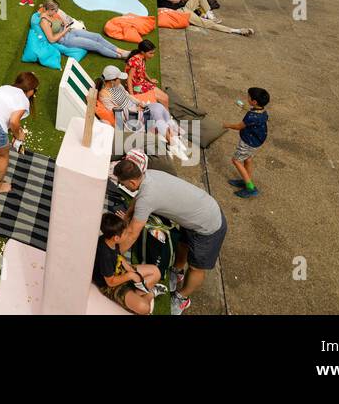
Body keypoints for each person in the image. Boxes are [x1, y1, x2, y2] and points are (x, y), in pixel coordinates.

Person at [112, 155, 227, 316]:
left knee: (196, 267)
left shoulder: (148, 197)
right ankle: (177, 272)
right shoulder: (149, 175)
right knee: (183, 244)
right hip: (196, 213)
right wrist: (126, 217)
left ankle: (182, 298)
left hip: (209, 225)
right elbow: (137, 199)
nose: (120, 185)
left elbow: (132, 233)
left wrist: (114, 257)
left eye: (120, 183)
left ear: (131, 182)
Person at [94, 213, 162, 315]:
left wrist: (129, 268)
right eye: (125, 233)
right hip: (111, 285)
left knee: (156, 272)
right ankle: (151, 293)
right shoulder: (105, 255)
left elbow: (118, 256)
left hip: (121, 272)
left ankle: (137, 294)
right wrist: (130, 275)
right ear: (116, 238)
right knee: (145, 308)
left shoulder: (110, 239)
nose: (128, 233)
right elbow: (110, 282)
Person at [149, 0, 252, 36]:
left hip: (185, 7)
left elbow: (178, 0)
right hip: (181, 12)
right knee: (207, 24)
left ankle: (210, 15)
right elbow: (177, 0)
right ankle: (236, 30)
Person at [223, 87, 270, 198]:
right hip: (256, 142)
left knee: (236, 161)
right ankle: (246, 180)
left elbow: (239, 126)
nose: (247, 98)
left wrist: (227, 125)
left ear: (254, 101)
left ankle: (250, 188)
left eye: (248, 97)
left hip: (247, 142)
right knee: (248, 159)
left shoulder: (251, 116)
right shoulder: (263, 112)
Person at [37, 0, 126, 58]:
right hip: (66, 39)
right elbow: (51, 40)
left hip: (71, 31)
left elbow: (57, 21)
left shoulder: (50, 14)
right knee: (96, 45)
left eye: (56, 10)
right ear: (48, 9)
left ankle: (120, 50)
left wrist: (64, 23)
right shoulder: (44, 22)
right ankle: (119, 55)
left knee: (97, 36)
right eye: (54, 10)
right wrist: (64, 31)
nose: (56, 12)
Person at [125, 39, 169, 108]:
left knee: (165, 97)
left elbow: (142, 71)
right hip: (136, 87)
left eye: (153, 53)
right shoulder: (135, 61)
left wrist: (150, 80)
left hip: (142, 82)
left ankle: (166, 115)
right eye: (151, 53)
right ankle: (167, 116)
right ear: (143, 52)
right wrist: (132, 96)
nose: (153, 55)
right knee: (162, 99)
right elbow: (129, 79)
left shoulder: (142, 57)